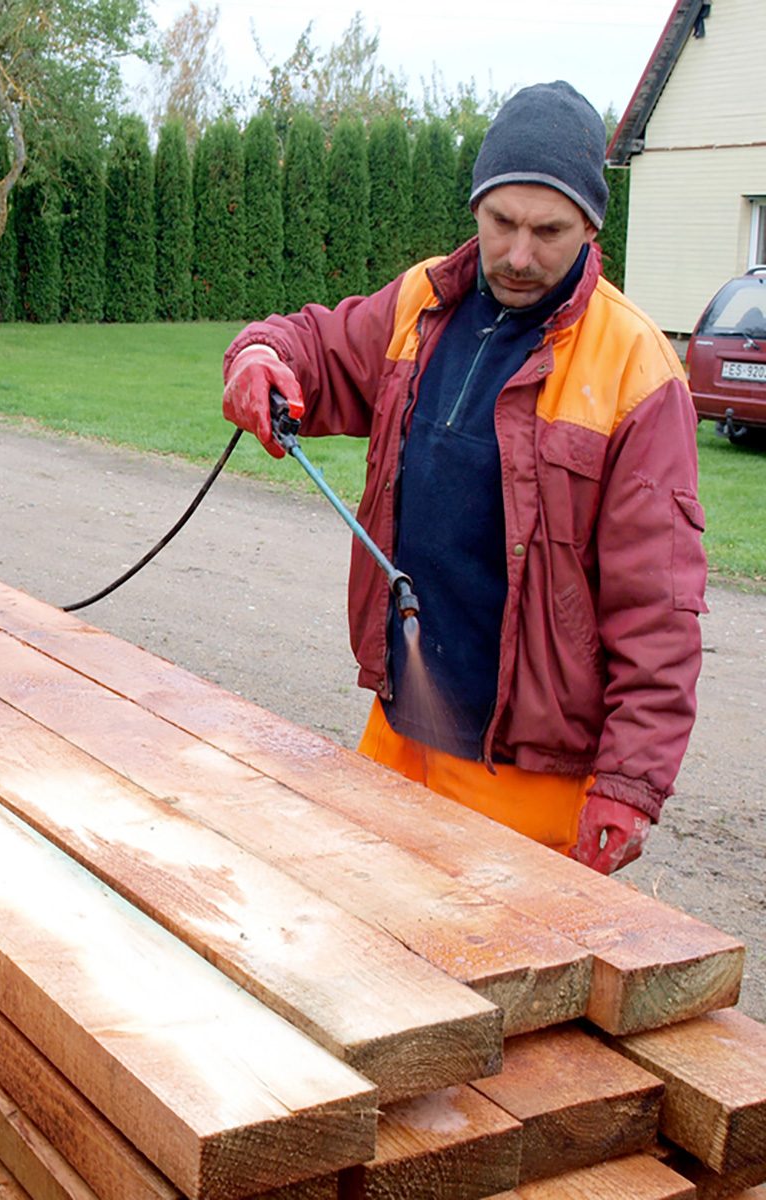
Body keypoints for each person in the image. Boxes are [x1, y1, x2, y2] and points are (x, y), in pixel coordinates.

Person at [221, 81, 708, 875]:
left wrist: (629, 783)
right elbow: (316, 342)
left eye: (548, 231)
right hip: (398, 733)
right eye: (501, 223)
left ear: (590, 225)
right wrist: (260, 357)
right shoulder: (422, 303)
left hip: (529, 777)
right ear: (476, 210)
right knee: (363, 953)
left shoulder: (636, 368)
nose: (520, 255)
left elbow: (658, 604)